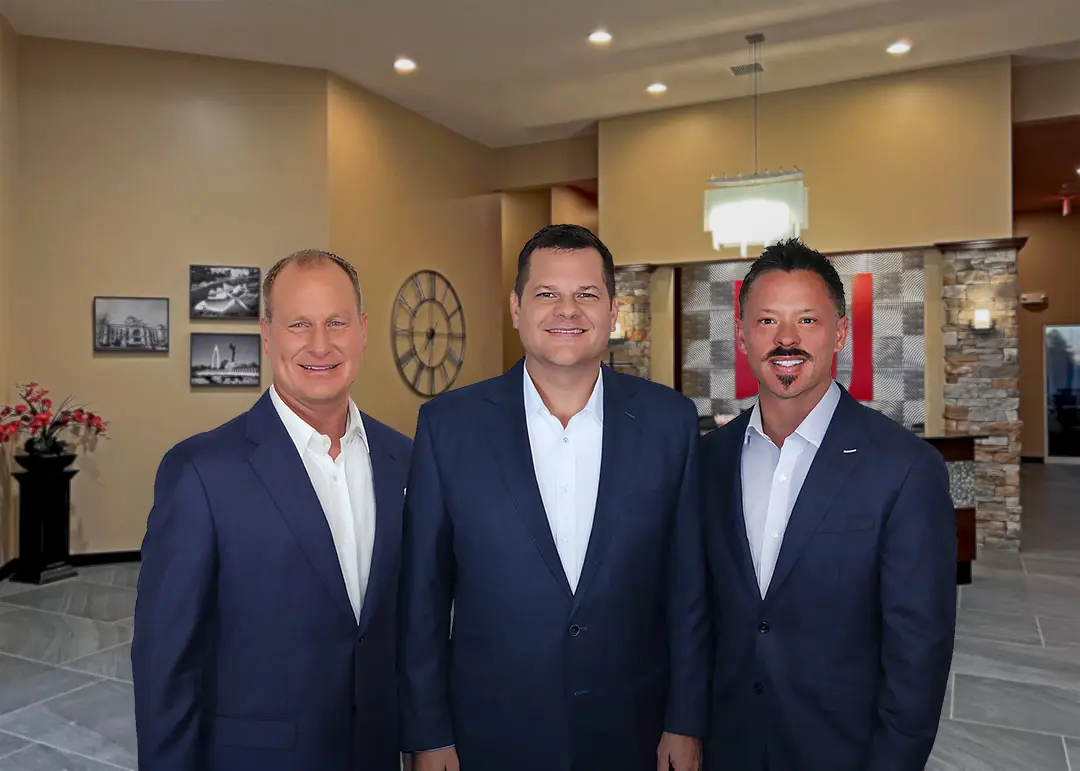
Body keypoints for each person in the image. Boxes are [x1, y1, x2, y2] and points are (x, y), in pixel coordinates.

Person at [398, 224, 710, 771]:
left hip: (632, 730)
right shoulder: (448, 427)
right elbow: (422, 597)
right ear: (517, 307)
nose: (568, 310)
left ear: (613, 311)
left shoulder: (669, 422)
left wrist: (684, 721)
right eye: (547, 294)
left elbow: (687, 589)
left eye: (587, 295)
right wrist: (429, 736)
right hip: (488, 735)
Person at [132, 249, 412, 771]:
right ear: (267, 335)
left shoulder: (405, 461)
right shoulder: (200, 472)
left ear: (363, 330)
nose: (320, 344)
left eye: (336, 322)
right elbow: (165, 667)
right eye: (298, 324)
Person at [700, 238, 956, 771]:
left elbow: (918, 652)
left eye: (807, 321)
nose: (786, 339)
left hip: (842, 751)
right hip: (727, 744)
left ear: (839, 332)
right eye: (767, 321)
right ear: (742, 336)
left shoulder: (905, 468)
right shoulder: (708, 461)